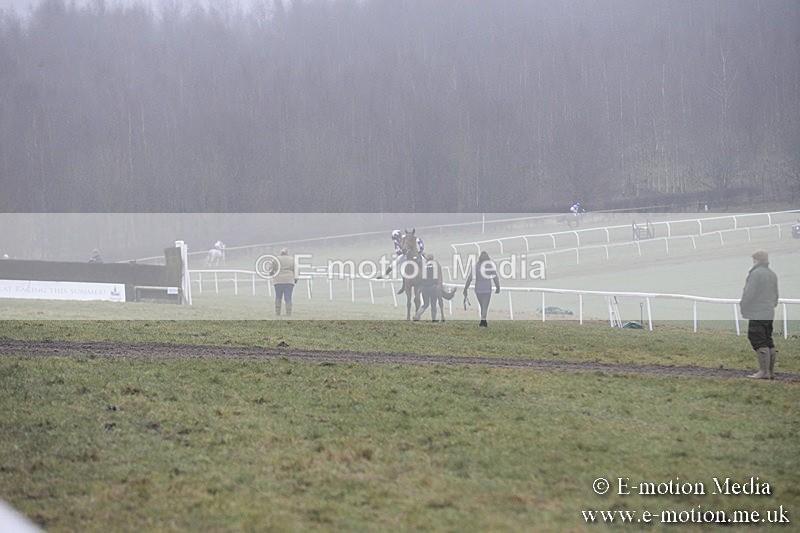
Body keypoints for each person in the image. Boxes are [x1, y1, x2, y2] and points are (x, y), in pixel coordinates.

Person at [739, 249, 779, 379]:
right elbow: (775, 296)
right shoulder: (772, 274)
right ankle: (770, 372)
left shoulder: (755, 274)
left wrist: (743, 307)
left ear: (756, 260)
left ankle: (763, 372)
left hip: (757, 312)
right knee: (768, 340)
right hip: (769, 312)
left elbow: (749, 293)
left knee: (758, 339)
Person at [463, 251, 500, 327]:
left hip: (478, 290)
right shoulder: (489, 266)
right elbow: (495, 277)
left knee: (482, 305)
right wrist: (498, 287)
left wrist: (465, 288)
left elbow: (470, 278)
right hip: (487, 289)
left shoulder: (476, 266)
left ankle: (483, 320)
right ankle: (483, 321)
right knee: (485, 306)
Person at [413, 253, 442, 322]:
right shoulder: (435, 264)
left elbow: (418, 263)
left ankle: (417, 315)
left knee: (425, 304)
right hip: (433, 287)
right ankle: (434, 319)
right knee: (433, 304)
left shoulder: (424, 265)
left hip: (424, 288)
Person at [272, 248, 296, 316]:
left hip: (278, 281)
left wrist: (273, 276)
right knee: (288, 297)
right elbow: (296, 271)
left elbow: (271, 269)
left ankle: (277, 313)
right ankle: (288, 313)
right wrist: (295, 280)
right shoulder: (292, 259)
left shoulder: (276, 259)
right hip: (289, 281)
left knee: (278, 297)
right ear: (287, 253)